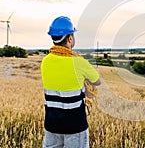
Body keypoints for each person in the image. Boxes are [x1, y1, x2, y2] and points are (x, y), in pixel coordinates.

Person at [41, 16, 101, 148]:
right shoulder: (78, 62)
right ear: (69, 38)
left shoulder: (45, 62)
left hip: (51, 124)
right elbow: (97, 81)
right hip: (75, 126)